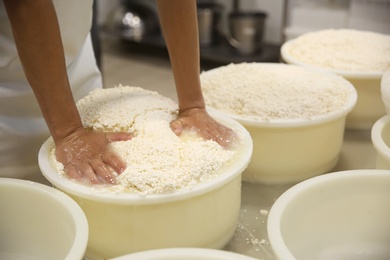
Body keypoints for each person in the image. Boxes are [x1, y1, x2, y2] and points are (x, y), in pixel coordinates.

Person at [1, 0, 235, 185]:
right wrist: (68, 132)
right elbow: (25, 4)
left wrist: (192, 103)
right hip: (8, 97)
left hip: (75, 61)